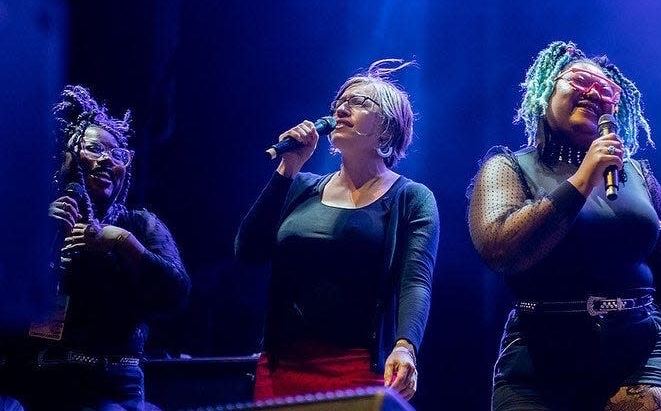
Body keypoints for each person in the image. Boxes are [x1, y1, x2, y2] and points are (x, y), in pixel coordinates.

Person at [468, 42, 661, 411]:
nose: (593, 93)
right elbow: (501, 249)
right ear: (546, 91)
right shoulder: (509, 167)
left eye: (607, 91)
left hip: (639, 350)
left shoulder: (637, 175)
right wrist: (583, 178)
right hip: (539, 358)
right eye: (580, 80)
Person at [236, 60, 439, 401]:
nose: (343, 108)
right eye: (340, 103)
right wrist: (288, 167)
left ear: (387, 129)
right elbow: (248, 251)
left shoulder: (411, 198)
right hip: (281, 366)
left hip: (355, 367)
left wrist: (405, 345)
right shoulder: (301, 186)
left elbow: (415, 280)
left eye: (359, 102)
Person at [0, 85, 190, 410]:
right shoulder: (35, 219)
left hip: (111, 383)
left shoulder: (139, 225)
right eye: (94, 149)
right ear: (68, 155)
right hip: (35, 378)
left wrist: (123, 243)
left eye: (116, 155)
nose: (106, 160)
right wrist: (42, 248)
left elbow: (175, 293)